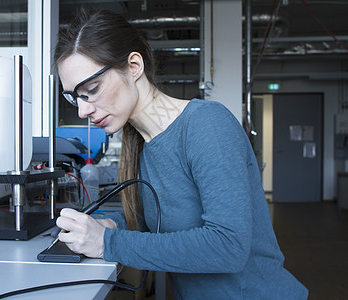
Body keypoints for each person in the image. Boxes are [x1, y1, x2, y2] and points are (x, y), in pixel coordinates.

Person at [54, 9, 308, 299]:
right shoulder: (141, 142)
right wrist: (109, 225)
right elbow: (156, 224)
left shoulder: (206, 124)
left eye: (92, 89)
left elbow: (228, 246)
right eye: (74, 96)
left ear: (134, 66)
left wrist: (107, 242)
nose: (82, 110)